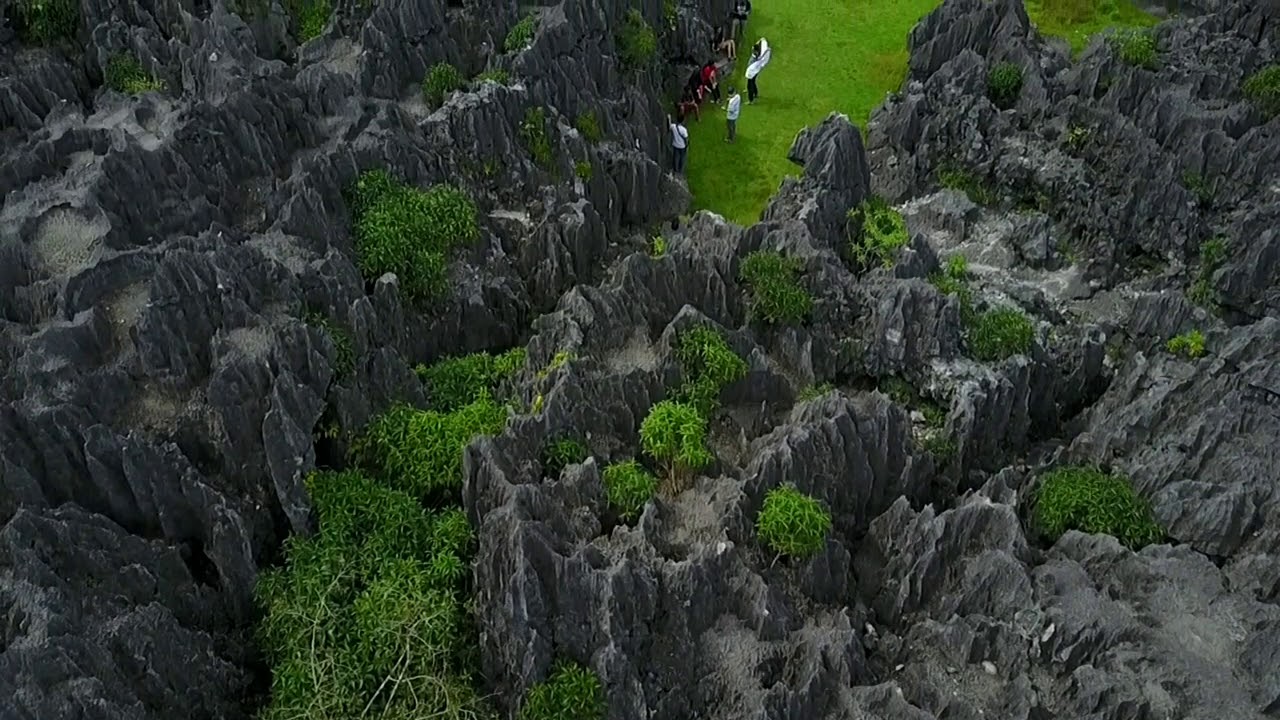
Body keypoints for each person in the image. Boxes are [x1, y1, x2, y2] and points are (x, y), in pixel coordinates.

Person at [745, 37, 771, 103]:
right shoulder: (759, 54)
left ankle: (750, 100)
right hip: (755, 71)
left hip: (752, 72)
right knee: (753, 82)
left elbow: (751, 65)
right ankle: (755, 93)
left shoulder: (756, 56)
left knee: (749, 85)